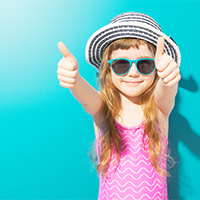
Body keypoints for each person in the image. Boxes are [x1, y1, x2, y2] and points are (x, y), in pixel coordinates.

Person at [57, 12, 181, 200]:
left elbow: (166, 93)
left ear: (156, 70)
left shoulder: (158, 109)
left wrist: (168, 78)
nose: (132, 73)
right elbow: (87, 98)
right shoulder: (103, 109)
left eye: (145, 65)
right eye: (121, 64)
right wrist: (75, 81)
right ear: (108, 69)